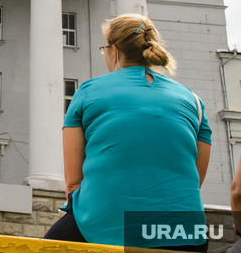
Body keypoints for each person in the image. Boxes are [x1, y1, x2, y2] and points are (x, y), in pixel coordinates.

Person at [44, 13, 211, 251]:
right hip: (184, 233)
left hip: (105, 225)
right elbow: (194, 180)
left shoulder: (87, 92)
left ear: (114, 50)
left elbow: (73, 185)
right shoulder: (194, 101)